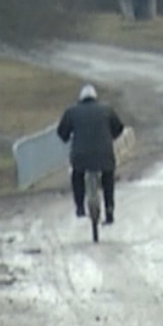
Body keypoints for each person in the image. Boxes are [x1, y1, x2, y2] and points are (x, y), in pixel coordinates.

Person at [57, 83, 124, 224]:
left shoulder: (72, 111)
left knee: (77, 176)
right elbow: (119, 129)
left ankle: (80, 207)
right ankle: (110, 209)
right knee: (108, 178)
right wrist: (109, 137)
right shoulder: (107, 109)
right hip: (104, 155)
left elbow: (61, 133)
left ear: (81, 98)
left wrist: (67, 138)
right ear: (95, 97)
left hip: (80, 156)